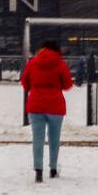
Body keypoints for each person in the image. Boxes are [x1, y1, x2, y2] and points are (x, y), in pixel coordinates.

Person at [21, 40, 73, 183]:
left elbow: (25, 83)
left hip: (36, 105)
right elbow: (68, 84)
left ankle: (38, 171)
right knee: (54, 139)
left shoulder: (32, 63)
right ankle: (53, 169)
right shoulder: (60, 63)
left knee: (37, 139)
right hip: (55, 105)